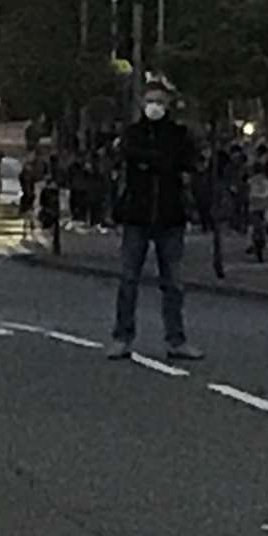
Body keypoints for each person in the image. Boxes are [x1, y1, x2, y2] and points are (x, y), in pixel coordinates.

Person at [108, 80, 202, 361]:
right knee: (128, 279)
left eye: (160, 101)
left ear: (168, 104)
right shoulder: (133, 134)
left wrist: (153, 163)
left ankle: (176, 340)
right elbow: (130, 157)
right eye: (150, 100)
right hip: (136, 215)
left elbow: (186, 163)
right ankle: (121, 337)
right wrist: (159, 162)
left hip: (170, 216)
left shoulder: (178, 134)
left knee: (173, 282)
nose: (155, 106)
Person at [246, 160, 268, 262]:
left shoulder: (251, 180)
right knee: (265, 223)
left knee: (251, 226)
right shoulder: (265, 179)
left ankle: (249, 243)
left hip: (253, 206)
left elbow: (246, 186)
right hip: (264, 205)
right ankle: (265, 238)